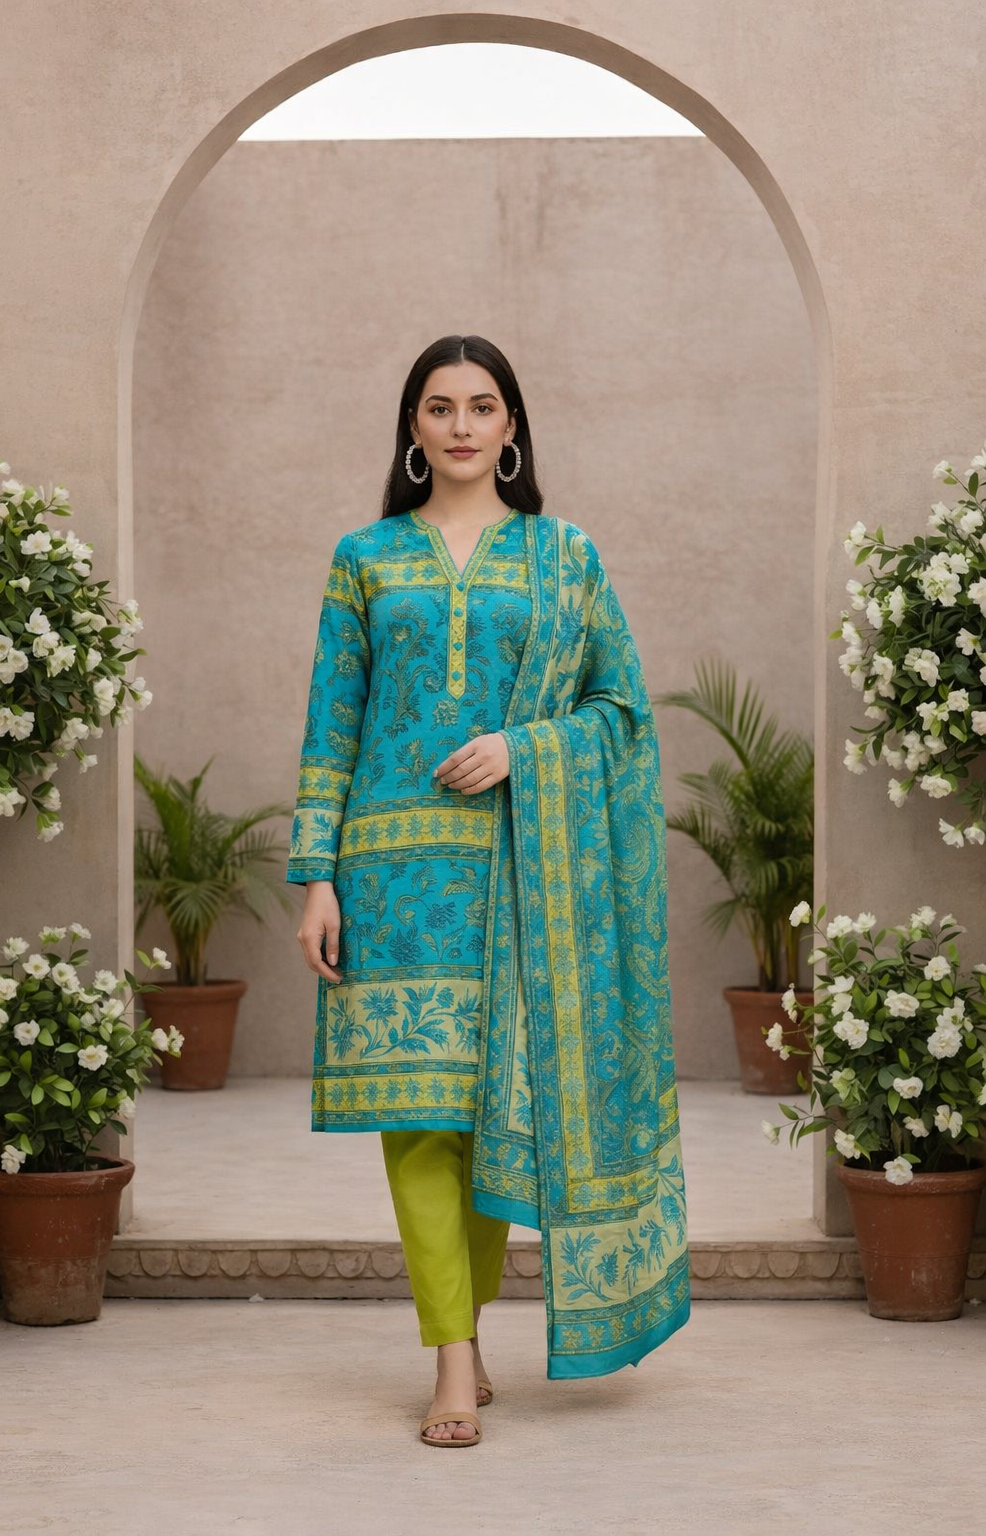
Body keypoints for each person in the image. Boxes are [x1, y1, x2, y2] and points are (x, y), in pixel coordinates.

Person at [288, 334, 690, 1449]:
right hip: (390, 875)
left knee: (486, 1113)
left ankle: (462, 1331)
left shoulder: (562, 557)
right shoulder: (363, 557)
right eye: (438, 408)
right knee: (417, 1122)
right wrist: (314, 877)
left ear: (511, 426)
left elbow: (622, 711)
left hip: (519, 881)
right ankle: (453, 1359)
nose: (461, 425)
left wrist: (526, 748)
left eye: (481, 406)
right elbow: (332, 719)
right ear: (412, 430)